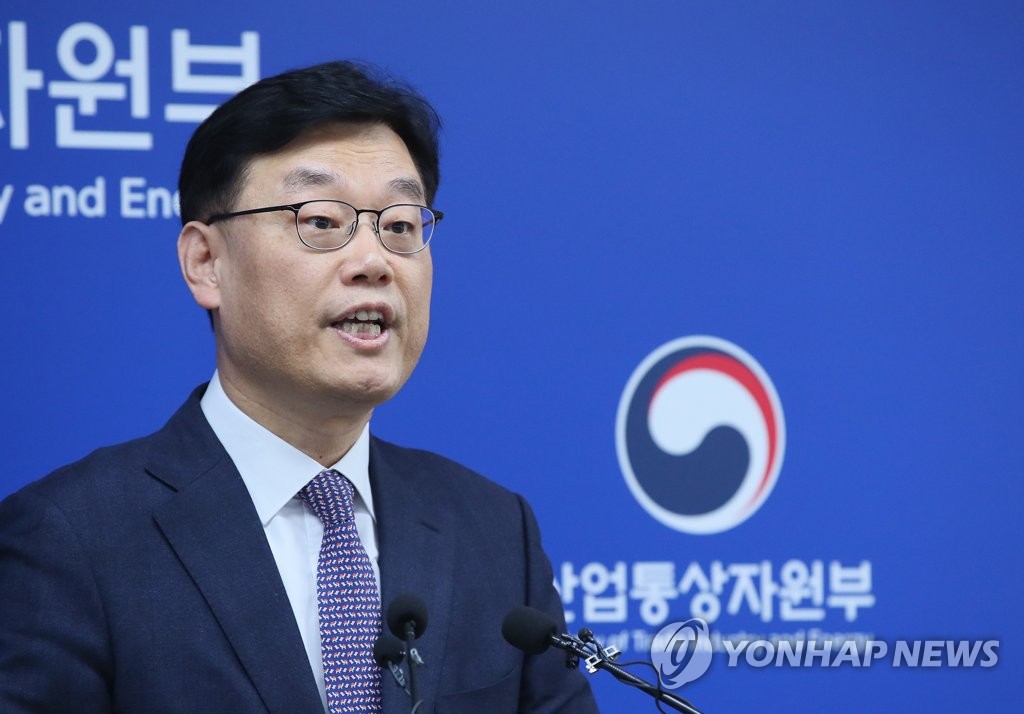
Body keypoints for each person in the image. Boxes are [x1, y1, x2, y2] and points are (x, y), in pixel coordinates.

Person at [0, 61, 598, 714]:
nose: (373, 262)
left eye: (400, 225)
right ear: (206, 262)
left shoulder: (494, 531)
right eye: (321, 221)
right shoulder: (71, 540)